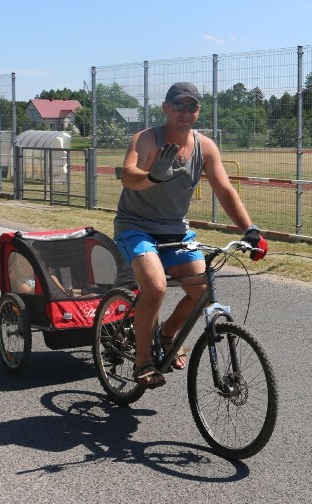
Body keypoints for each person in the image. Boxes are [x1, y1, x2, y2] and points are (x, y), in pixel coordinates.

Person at [114, 81, 268, 391]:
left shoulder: (205, 146)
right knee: (155, 287)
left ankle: (168, 333)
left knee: (202, 292)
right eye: (179, 105)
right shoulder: (146, 139)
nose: (185, 111)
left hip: (175, 230)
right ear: (166, 108)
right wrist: (152, 176)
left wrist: (249, 229)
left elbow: (223, 189)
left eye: (192, 106)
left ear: (198, 111)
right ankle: (142, 360)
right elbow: (128, 176)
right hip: (137, 227)